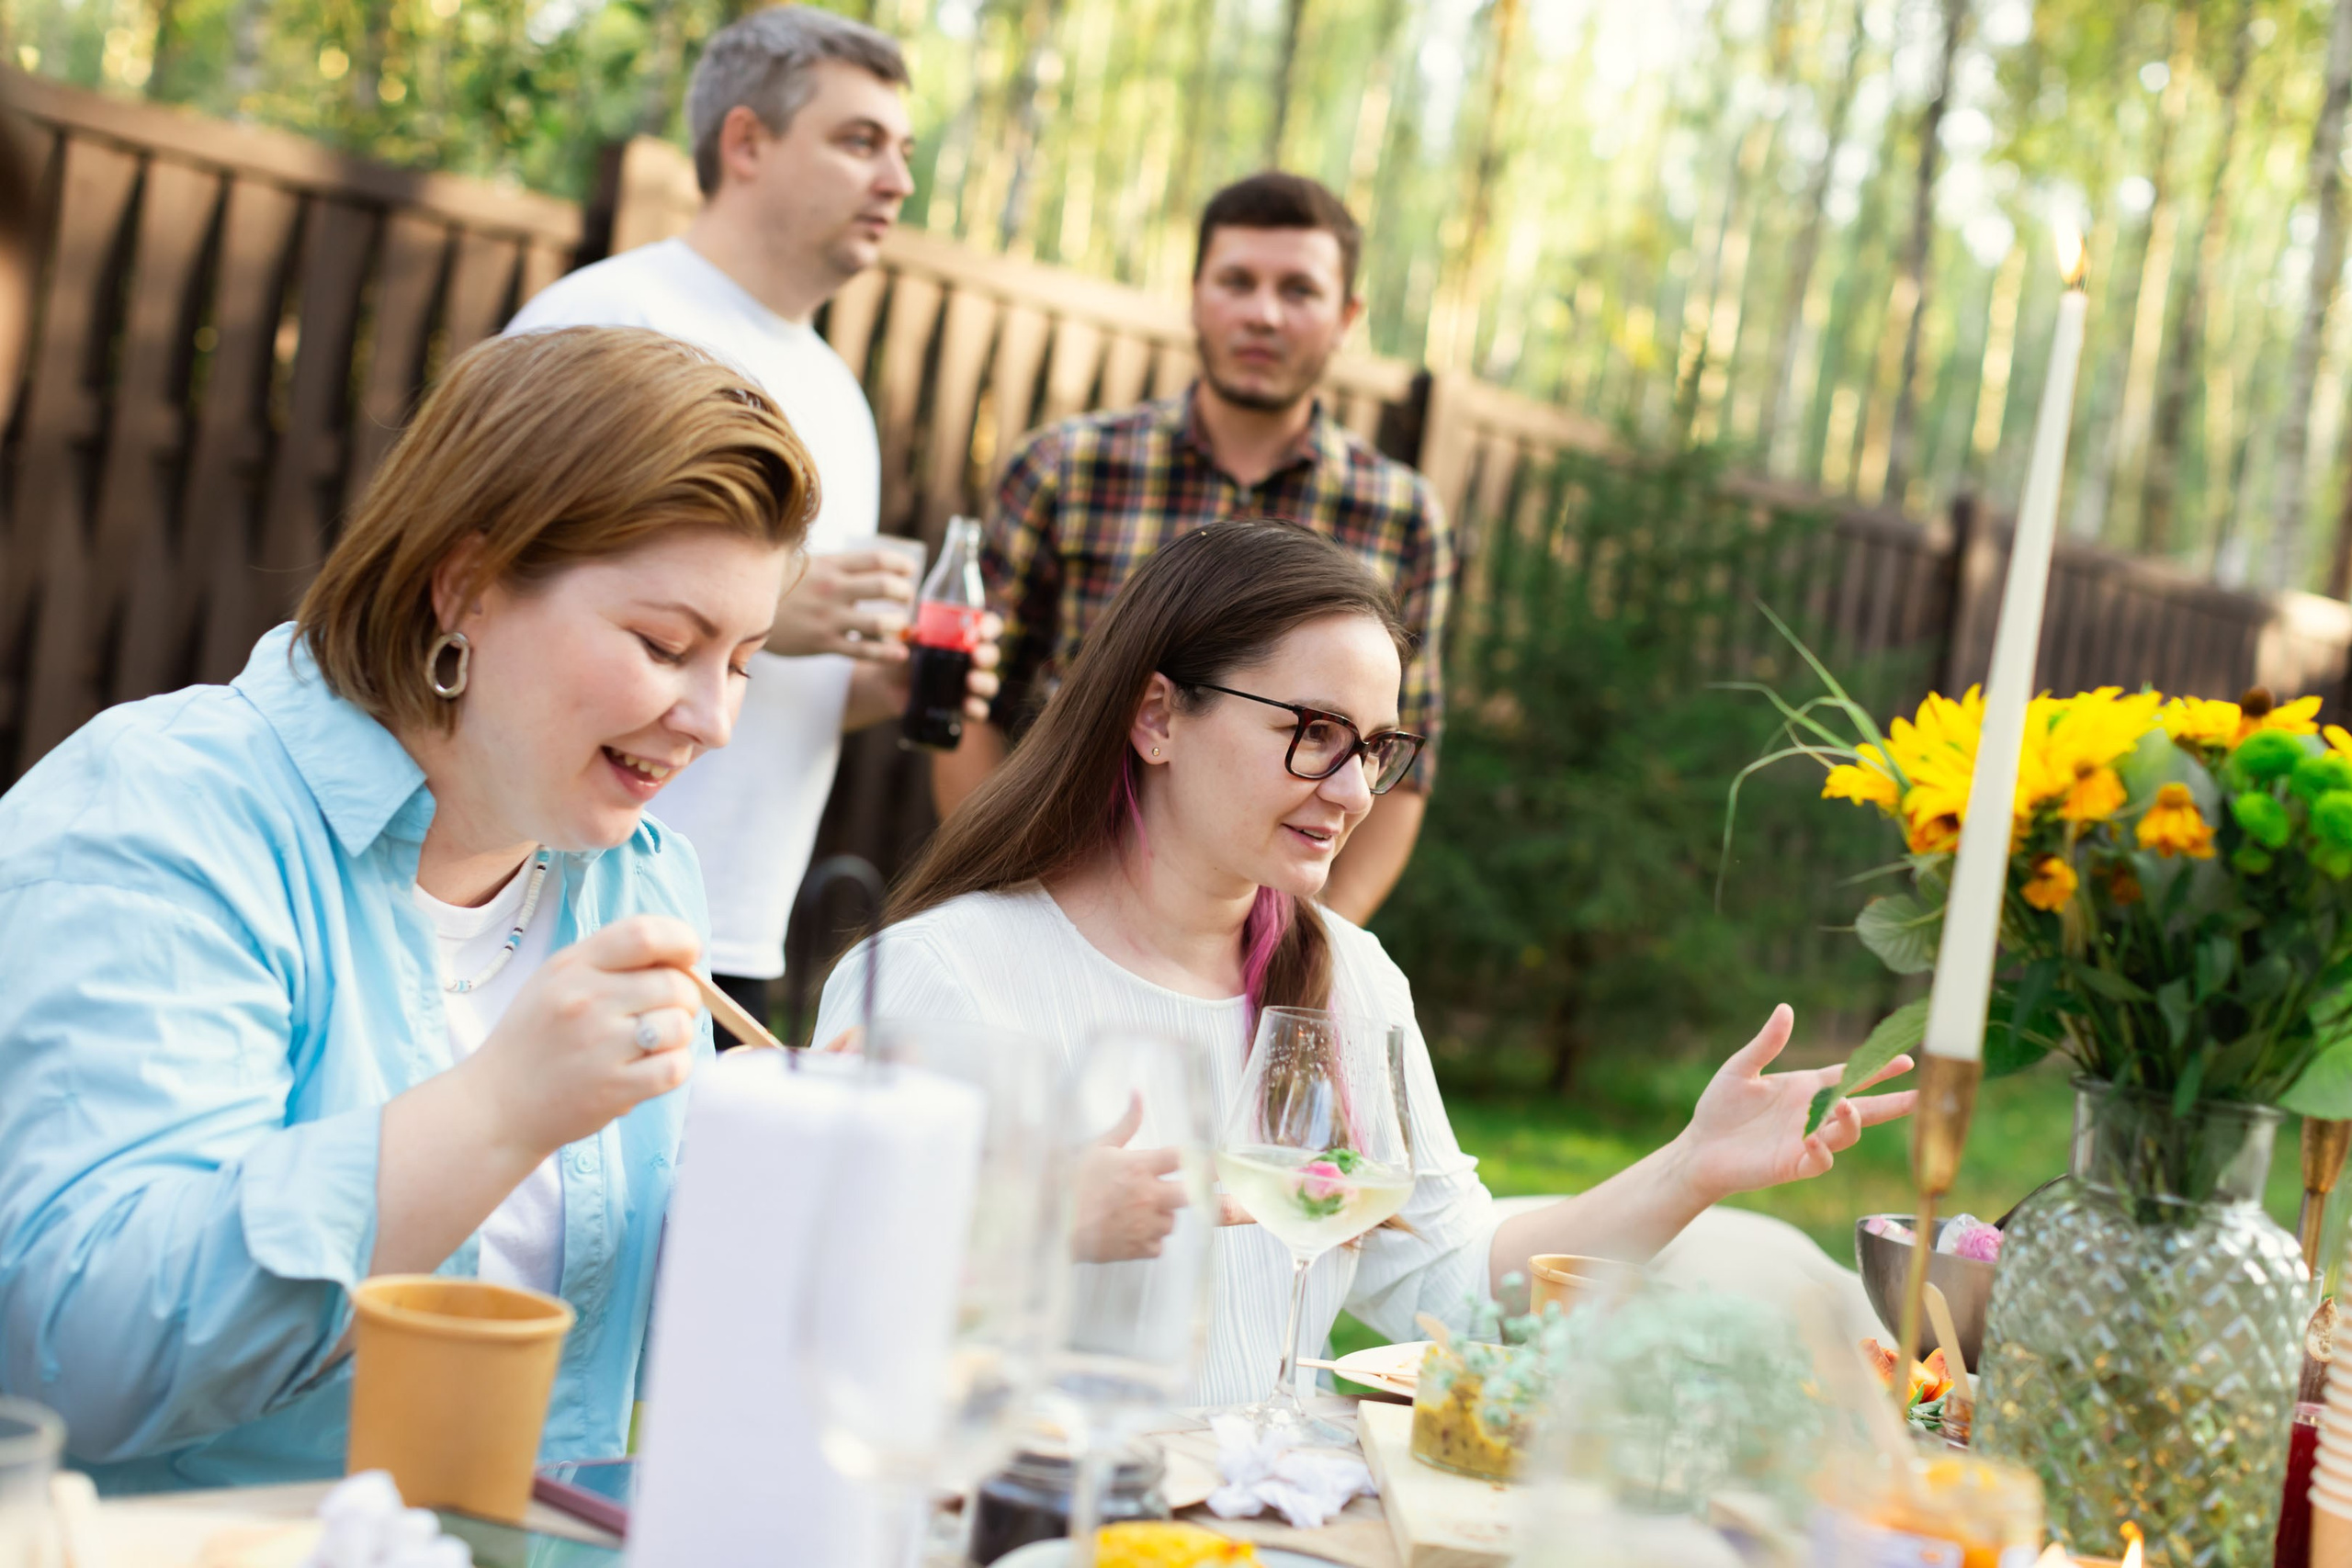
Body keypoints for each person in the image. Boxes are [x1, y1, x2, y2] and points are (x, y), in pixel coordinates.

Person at [817, 520, 1914, 1404]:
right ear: (1156, 717)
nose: (1351, 792)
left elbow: (1452, 1281)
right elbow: (821, 1322)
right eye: (1310, 730)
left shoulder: (1348, 981)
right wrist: (1032, 1223)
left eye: (1376, 748)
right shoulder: (940, 981)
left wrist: (1694, 1167)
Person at [0, 328, 816, 1486]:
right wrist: (495, 1112)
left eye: (741, 661)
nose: (711, 719)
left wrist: (819, 1178)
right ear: (467, 585)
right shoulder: (155, 820)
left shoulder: (635, 873)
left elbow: (619, 1309)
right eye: (663, 645)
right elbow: (81, 1353)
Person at [507, 5, 996, 1042]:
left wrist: (885, 685)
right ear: (746, 142)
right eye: (859, 141)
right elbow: (504, 579)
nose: (898, 181)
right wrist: (770, 604)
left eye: (903, 151)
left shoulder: (837, 396)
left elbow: (778, 688)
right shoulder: (607, 320)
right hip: (553, 909)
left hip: (734, 934)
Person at [934, 172, 1444, 925]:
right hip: (1052, 900)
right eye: (1237, 281)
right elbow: (962, 699)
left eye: (1298, 290)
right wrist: (1013, 897)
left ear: (1346, 316)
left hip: (1258, 950)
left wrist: (1315, 944)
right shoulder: (1065, 469)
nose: (1263, 314)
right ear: (1196, 293)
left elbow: (1404, 767)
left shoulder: (1402, 515)